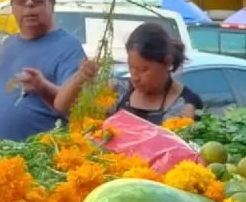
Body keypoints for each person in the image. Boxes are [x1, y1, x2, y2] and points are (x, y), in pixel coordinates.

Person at [0, 0, 87, 141]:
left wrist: (43, 86)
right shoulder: (8, 44)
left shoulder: (69, 49)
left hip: (35, 156)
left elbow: (75, 107)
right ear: (12, 5)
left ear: (52, 3)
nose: (29, 4)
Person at [55, 21, 202, 126]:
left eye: (144, 70)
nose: (135, 77)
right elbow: (62, 107)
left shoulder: (185, 104)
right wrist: (81, 77)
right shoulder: (117, 91)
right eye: (132, 68)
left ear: (166, 62)